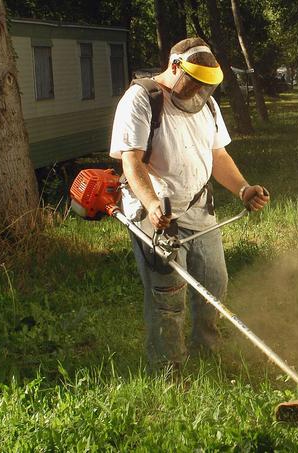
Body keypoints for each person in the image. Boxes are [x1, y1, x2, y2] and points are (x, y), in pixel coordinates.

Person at [109, 37, 269, 370]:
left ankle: (207, 350)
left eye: (205, 86)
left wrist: (243, 189)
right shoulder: (141, 99)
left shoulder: (206, 106)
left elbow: (218, 155)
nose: (199, 90)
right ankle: (169, 368)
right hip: (156, 214)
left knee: (214, 282)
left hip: (198, 206)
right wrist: (151, 203)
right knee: (168, 294)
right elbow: (131, 161)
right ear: (175, 66)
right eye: (194, 81)